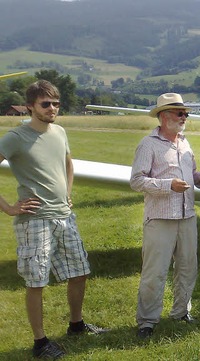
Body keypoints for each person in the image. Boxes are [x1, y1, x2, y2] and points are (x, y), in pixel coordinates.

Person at [0, 80, 107, 359]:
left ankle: (76, 325)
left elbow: (68, 163)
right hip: (35, 221)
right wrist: (9, 208)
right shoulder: (16, 137)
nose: (52, 108)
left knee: (79, 271)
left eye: (56, 103)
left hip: (64, 216)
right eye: (46, 104)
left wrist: (68, 193)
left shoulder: (59, 131)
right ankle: (40, 343)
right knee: (36, 281)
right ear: (30, 106)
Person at [130, 93, 200, 339]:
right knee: (155, 271)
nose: (184, 117)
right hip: (160, 218)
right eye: (180, 113)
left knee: (188, 268)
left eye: (185, 113)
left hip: (187, 216)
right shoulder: (148, 144)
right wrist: (169, 185)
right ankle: (147, 321)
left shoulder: (185, 142)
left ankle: (181, 312)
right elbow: (136, 181)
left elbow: (191, 178)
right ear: (164, 116)